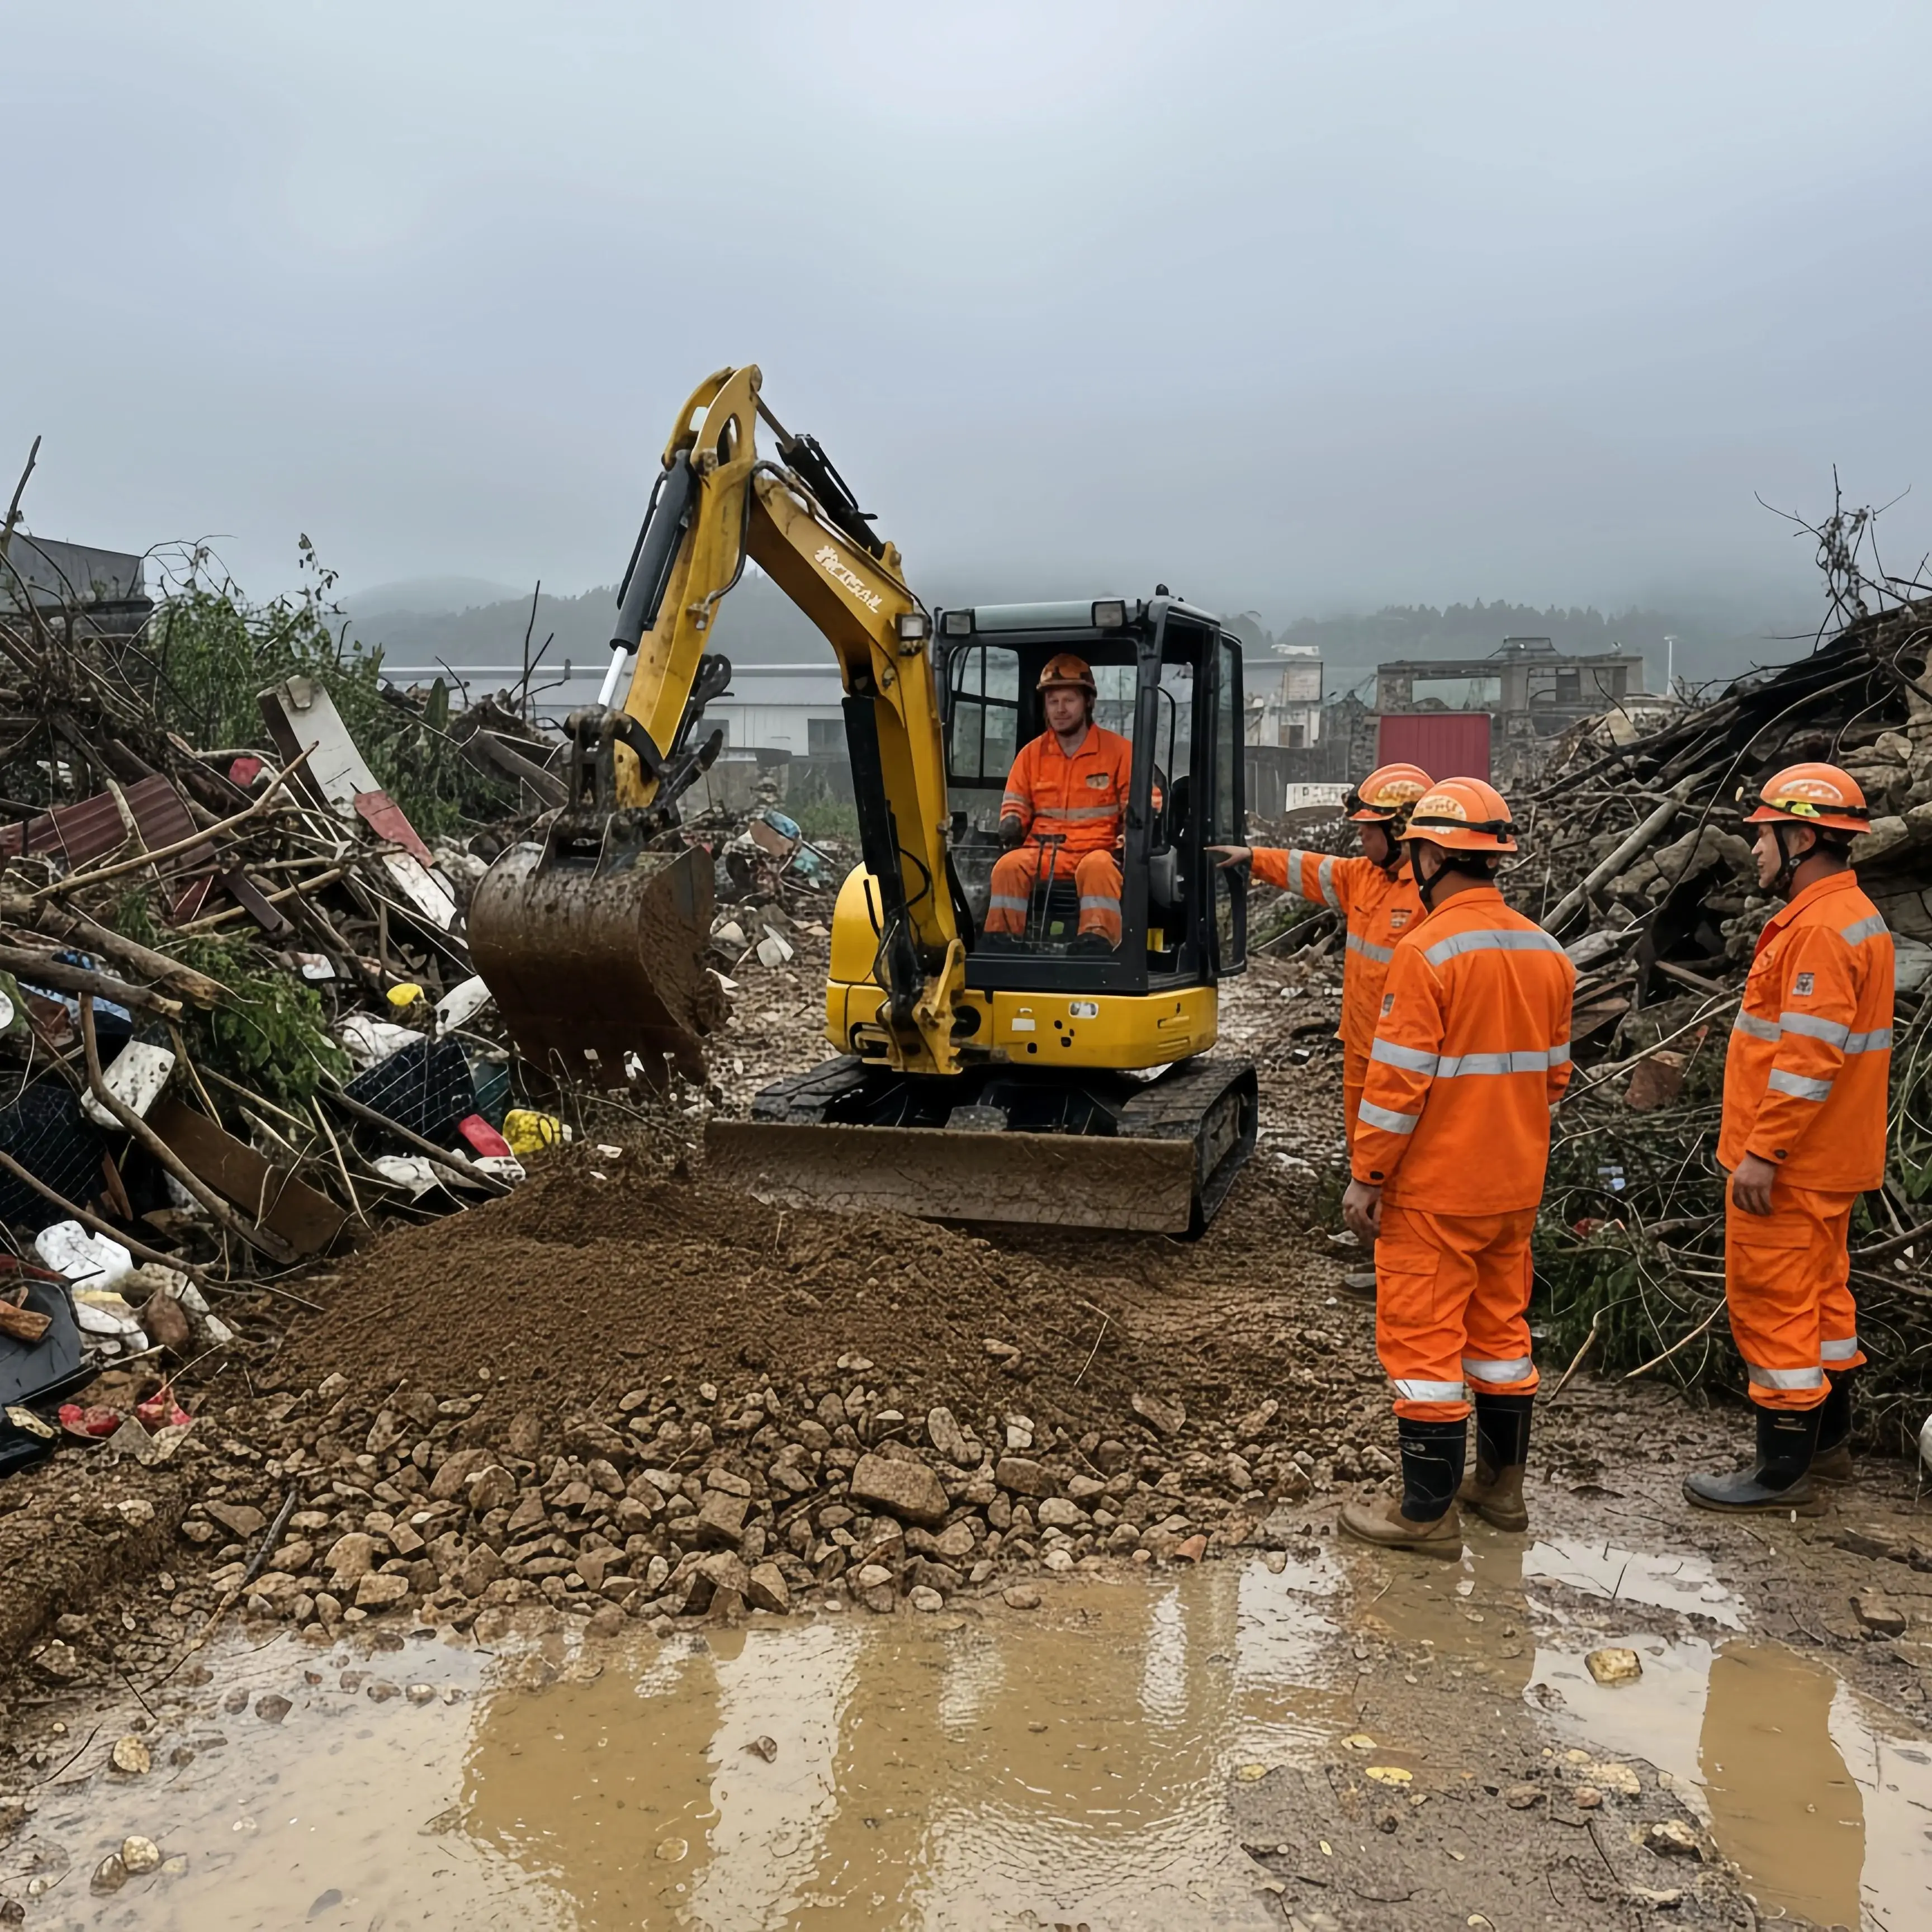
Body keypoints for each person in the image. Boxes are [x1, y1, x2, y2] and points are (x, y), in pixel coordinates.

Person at [1336, 778, 1575, 1556]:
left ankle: (1425, 1511)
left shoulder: (1428, 952)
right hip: (1512, 1188)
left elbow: (1395, 1086)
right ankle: (1501, 1491)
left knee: (1424, 1347)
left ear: (1435, 854)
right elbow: (1554, 1080)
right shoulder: (1546, 952)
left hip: (1436, 1192)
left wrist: (1367, 1176)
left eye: (1415, 851)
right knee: (1501, 1337)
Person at [1684, 763, 1893, 1513]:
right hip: (1831, 1159)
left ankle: (1780, 1472)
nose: (1758, 852)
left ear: (1802, 837)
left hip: (1793, 1163)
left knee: (1773, 1307)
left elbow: (1806, 1062)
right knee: (1824, 1307)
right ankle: (1827, 1450)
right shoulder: (1849, 916)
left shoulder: (1821, 932)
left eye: (1766, 838)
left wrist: (1763, 1153)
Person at [1211, 762, 1432, 1154]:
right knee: (1362, 1147)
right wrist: (1251, 856)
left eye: (1368, 830)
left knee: (1407, 1148)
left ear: (1400, 831)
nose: (1361, 837)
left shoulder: (1433, 897)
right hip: (1361, 1045)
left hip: (1408, 1057)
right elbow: (1305, 869)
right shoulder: (1363, 877)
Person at [984, 654, 1133, 954]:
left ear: (1088, 703)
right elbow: (1016, 803)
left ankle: (1096, 943)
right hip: (1042, 854)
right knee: (1008, 867)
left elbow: (1143, 804)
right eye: (1053, 701)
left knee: (1098, 867)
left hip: (1097, 851)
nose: (1061, 710)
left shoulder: (1120, 752)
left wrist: (1133, 834)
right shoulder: (1031, 755)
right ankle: (1002, 944)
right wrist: (1011, 822)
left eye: (1070, 700)